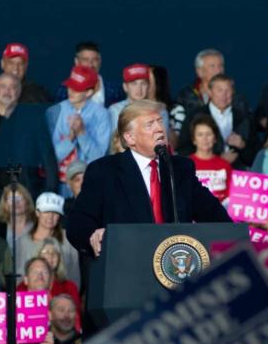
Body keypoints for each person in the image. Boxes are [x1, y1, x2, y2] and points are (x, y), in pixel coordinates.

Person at [67, 100, 232, 257]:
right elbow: (78, 223)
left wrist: (236, 240)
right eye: (149, 125)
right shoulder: (105, 171)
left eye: (160, 122)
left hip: (175, 268)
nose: (159, 129)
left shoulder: (181, 169)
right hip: (126, 269)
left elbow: (214, 216)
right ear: (130, 138)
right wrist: (93, 235)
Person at [0, 72, 59, 201]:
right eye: (3, 86)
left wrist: (50, 193)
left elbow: (48, 159)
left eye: (12, 87)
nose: (7, 91)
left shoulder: (34, 121)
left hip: (28, 194)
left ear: (19, 92)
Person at [46, 64, 112, 196]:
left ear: (89, 92)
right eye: (70, 86)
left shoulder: (102, 115)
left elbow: (99, 158)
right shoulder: (54, 111)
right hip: (60, 184)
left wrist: (82, 134)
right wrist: (70, 139)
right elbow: (49, 159)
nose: (71, 91)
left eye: (77, 88)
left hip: (89, 184)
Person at [16, 192, 80, 283]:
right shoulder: (22, 242)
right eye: (46, 212)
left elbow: (74, 273)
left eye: (55, 213)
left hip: (62, 293)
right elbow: (18, 276)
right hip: (30, 295)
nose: (50, 217)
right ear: (37, 213)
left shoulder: (68, 238)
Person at [0, 43, 52, 112]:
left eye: (20, 64)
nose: (16, 68)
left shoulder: (38, 94)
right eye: (11, 63)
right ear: (2, 64)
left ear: (26, 66)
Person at [108, 64, 170, 149]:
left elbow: (161, 142)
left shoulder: (160, 111)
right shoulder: (115, 110)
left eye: (143, 83)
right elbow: (118, 141)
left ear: (148, 86)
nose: (139, 88)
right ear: (125, 87)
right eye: (134, 84)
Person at [188, 114, 235, 201]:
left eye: (209, 134)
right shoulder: (184, 164)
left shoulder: (225, 165)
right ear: (194, 139)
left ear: (215, 138)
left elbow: (231, 196)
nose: (205, 139)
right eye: (200, 134)